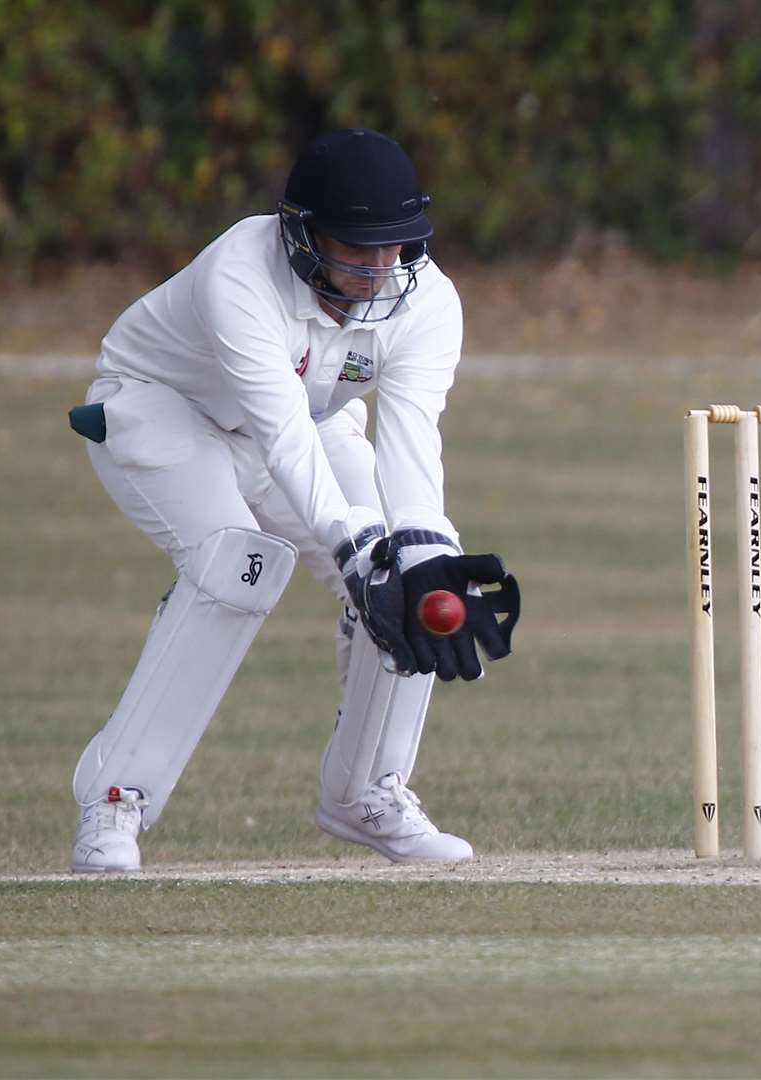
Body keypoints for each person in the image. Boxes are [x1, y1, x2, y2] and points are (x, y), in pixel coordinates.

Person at [65, 129, 520, 872]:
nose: (379, 268)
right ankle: (114, 800)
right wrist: (356, 550)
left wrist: (417, 555)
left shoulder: (428, 300)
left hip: (305, 425)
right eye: (357, 247)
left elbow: (410, 444)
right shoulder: (240, 274)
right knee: (236, 566)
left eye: (394, 246)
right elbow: (282, 437)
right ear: (302, 234)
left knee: (414, 569)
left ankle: (365, 792)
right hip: (160, 409)